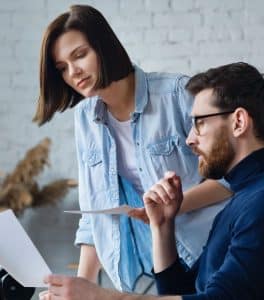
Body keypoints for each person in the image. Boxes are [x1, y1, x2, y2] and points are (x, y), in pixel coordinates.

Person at [34, 4, 231, 292]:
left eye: (79, 55)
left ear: (104, 47)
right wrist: (82, 287)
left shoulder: (177, 94)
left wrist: (170, 208)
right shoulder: (85, 118)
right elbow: (93, 217)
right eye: (62, 68)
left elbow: (235, 176)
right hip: (139, 277)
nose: (73, 72)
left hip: (207, 257)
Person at [40, 62, 264, 299]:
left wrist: (102, 297)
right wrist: (162, 226)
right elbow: (182, 293)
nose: (189, 139)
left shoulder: (257, 205)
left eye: (199, 123)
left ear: (239, 122)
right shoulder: (243, 201)